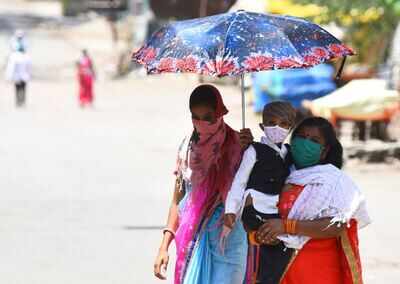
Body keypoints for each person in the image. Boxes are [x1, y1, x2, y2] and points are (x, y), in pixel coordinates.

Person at [253, 117, 370, 283]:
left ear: (324, 151)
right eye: (301, 137)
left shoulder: (334, 181)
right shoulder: (279, 173)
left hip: (317, 272)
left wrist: (286, 227)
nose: (305, 143)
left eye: (314, 140)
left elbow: (337, 225)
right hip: (278, 270)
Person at [153, 85, 248, 284]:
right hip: (192, 241)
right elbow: (177, 200)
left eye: (208, 118)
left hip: (228, 243)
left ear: (221, 113)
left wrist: (253, 153)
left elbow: (254, 195)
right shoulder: (187, 149)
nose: (202, 124)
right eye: (196, 117)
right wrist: (164, 246)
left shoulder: (238, 146)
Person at [223, 101, 297, 284]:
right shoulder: (253, 150)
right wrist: (230, 210)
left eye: (283, 124)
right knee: (261, 253)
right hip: (254, 209)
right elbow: (239, 181)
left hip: (276, 212)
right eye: (272, 123)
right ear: (262, 126)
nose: (277, 128)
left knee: (278, 257)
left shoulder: (290, 153)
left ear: (291, 127)